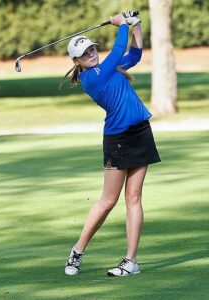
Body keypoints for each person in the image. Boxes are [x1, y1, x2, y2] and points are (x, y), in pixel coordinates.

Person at [62, 12, 161, 277]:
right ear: (77, 62)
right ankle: (78, 251)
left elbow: (135, 55)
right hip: (117, 140)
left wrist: (136, 25)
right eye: (85, 53)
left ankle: (131, 261)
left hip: (140, 132)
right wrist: (121, 25)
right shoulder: (92, 78)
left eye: (93, 48)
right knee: (108, 201)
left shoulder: (109, 68)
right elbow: (118, 51)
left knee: (134, 198)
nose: (91, 53)